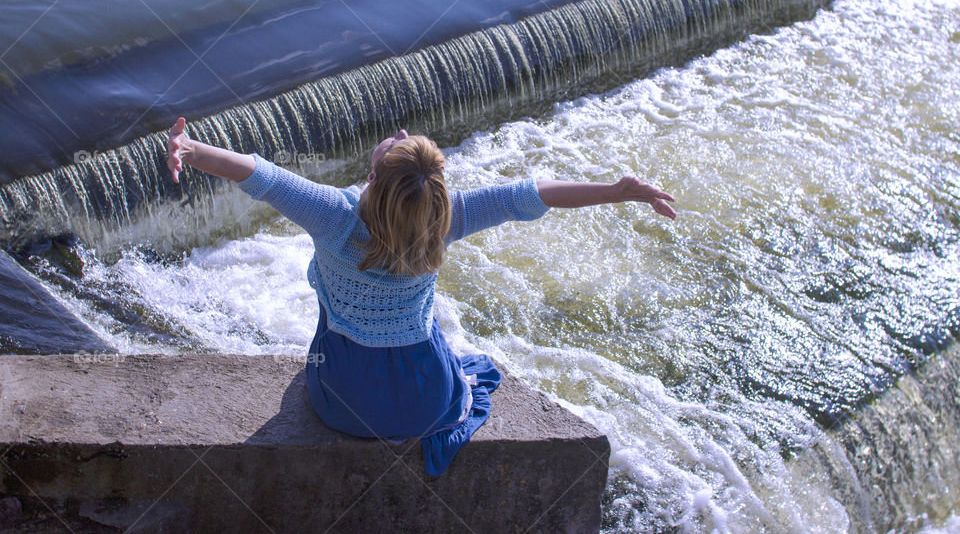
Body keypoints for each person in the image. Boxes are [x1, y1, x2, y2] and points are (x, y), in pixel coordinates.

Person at [165, 117, 676, 476]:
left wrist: (190, 149)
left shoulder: (333, 215)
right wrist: (615, 190)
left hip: (341, 401)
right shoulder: (445, 218)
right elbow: (532, 194)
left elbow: (258, 175)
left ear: (372, 177)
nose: (402, 133)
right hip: (426, 401)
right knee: (450, 350)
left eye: (397, 145)